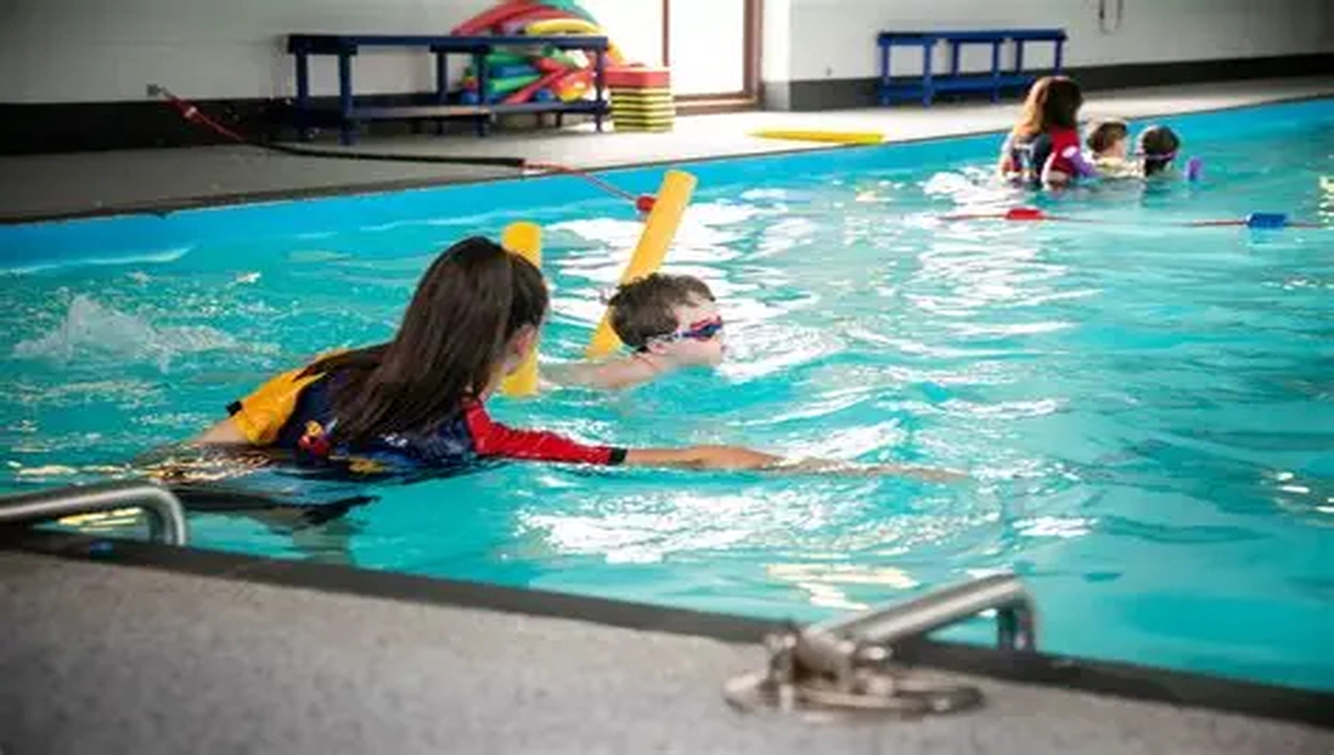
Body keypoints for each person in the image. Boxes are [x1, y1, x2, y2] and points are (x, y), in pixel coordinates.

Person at [194, 236, 962, 482]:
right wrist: (861, 470)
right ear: (524, 342)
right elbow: (693, 458)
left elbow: (206, 455)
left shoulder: (325, 370)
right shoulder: (486, 438)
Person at [548, 273, 724, 391]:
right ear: (659, 345)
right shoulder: (635, 376)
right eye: (706, 330)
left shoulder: (672, 364)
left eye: (719, 323)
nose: (719, 334)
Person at [997, 76, 1093, 188]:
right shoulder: (1068, 136)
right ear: (1071, 106)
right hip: (1058, 190)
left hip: (1019, 186)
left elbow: (1003, 169)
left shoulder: (1018, 134)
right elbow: (1078, 170)